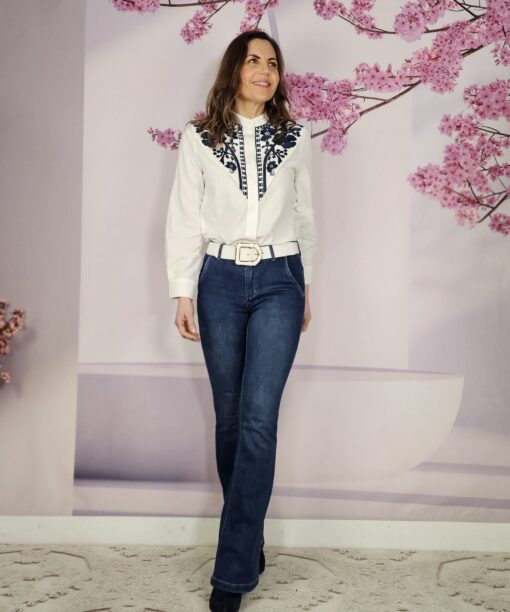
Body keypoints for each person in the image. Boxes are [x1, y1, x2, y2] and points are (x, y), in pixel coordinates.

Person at [165, 29, 317, 612]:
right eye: (254, 60)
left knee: (257, 422)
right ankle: (249, 540)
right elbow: (185, 216)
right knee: (230, 423)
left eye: (273, 63)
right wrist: (183, 291)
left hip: (281, 278)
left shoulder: (296, 136)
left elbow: (305, 215)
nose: (265, 71)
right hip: (219, 282)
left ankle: (231, 575)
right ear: (234, 69)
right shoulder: (199, 137)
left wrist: (306, 286)